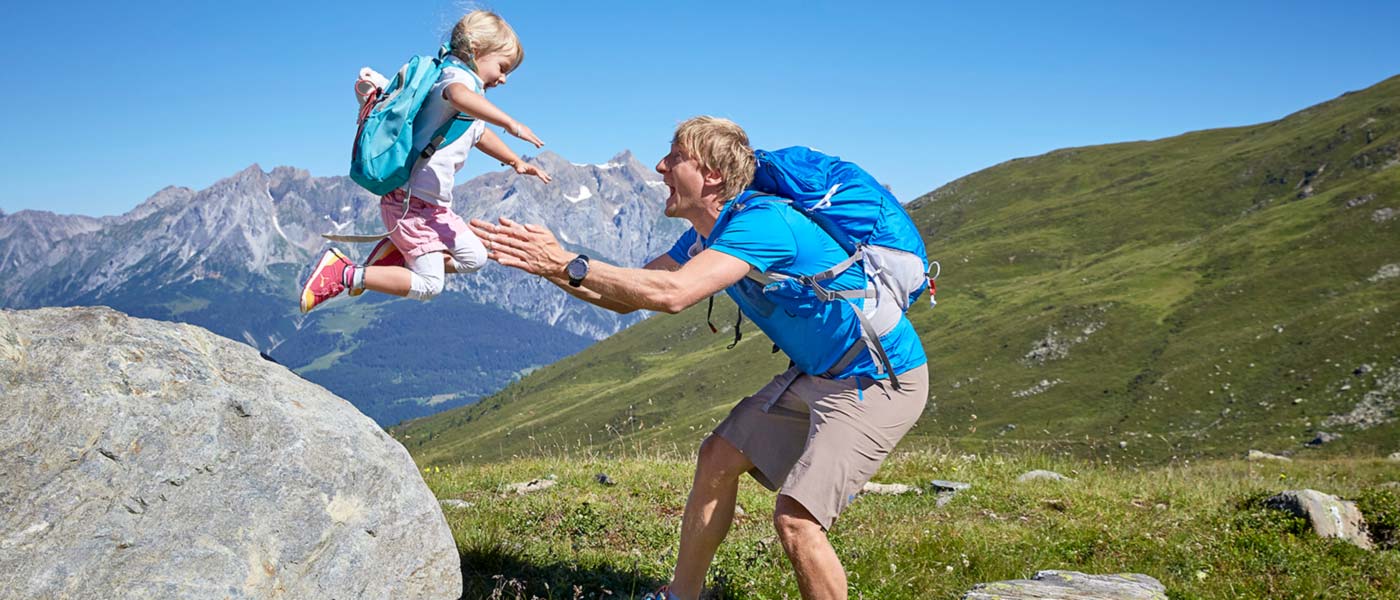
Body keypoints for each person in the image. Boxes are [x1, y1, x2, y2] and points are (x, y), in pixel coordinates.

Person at [472, 116, 929, 600]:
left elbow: (673, 293)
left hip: (876, 380)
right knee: (717, 457)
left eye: (674, 157)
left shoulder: (764, 223)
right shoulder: (706, 234)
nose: (660, 166)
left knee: (797, 521)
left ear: (711, 174)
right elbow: (629, 295)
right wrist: (550, 267)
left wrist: (566, 263)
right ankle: (681, 596)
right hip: (821, 373)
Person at [300, 9, 551, 314]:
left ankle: (399, 255)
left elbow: (479, 133)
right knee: (430, 284)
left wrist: (514, 161)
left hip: (435, 206)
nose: (504, 78)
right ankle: (345, 274)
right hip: (410, 203)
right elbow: (458, 96)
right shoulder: (455, 77)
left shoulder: (471, 94)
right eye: (502, 67)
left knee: (476, 258)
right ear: (475, 50)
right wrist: (511, 124)